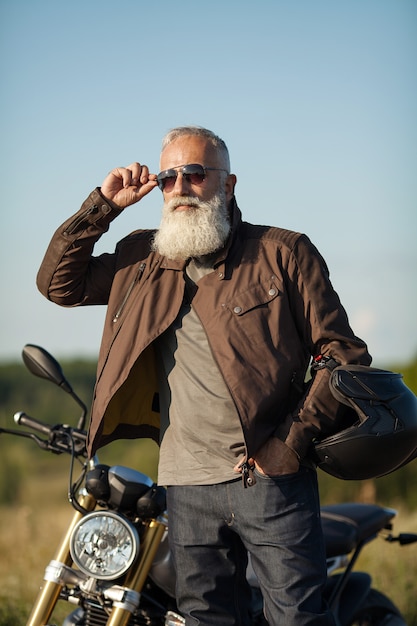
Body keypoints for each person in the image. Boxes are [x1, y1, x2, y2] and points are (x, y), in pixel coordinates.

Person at [37, 126, 371, 625]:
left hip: (272, 480)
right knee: (204, 619)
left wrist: (289, 444)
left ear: (228, 184)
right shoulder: (142, 259)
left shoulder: (283, 252)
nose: (180, 188)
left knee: (297, 619)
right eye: (168, 178)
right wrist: (103, 206)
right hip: (185, 486)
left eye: (194, 174)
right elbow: (58, 284)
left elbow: (343, 357)